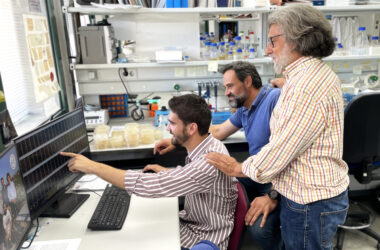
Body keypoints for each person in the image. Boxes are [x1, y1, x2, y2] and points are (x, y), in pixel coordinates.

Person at [205, 4, 349, 250]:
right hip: (308, 195)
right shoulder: (307, 77)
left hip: (310, 202)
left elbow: (280, 151)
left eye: (273, 40)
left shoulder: (305, 87)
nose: (268, 49)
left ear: (297, 39)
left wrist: (238, 167)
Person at [61, 94, 238, 250]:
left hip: (203, 238)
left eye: (172, 124)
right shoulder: (208, 144)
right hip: (191, 224)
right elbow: (192, 176)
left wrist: (92, 167)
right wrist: (169, 173)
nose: (168, 129)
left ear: (192, 128)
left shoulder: (207, 163)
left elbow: (147, 185)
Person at [155, 61, 282, 250]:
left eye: (230, 86)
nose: (226, 92)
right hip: (255, 175)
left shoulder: (274, 99)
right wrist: (176, 140)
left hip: (278, 181)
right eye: (225, 87)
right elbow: (220, 131)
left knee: (259, 230)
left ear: (247, 81)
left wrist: (273, 195)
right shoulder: (245, 109)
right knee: (222, 184)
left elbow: (287, 154)